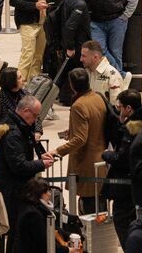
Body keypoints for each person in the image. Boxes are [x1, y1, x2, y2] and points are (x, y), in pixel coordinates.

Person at [0, 95, 53, 252]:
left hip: (14, 190)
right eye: (35, 115)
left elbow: (25, 148)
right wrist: (41, 164)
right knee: (15, 233)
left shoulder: (14, 123)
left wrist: (40, 155)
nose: (36, 120)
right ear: (25, 111)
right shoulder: (13, 133)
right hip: (13, 193)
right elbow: (19, 166)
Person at [101, 90, 142, 248]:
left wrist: (106, 155)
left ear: (128, 108)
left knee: (122, 221)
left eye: (120, 107)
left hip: (125, 186)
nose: (118, 110)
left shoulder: (132, 130)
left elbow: (122, 158)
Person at [50, 68, 108, 214]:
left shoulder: (78, 105)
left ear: (71, 84)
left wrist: (58, 151)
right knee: (100, 207)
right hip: (101, 160)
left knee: (89, 210)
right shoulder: (98, 97)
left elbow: (80, 139)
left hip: (86, 162)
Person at [86, 0, 139, 73]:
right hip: (96, 20)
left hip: (117, 20)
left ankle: (117, 84)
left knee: (116, 52)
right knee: (99, 50)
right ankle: (121, 76)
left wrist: (125, 16)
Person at [10, 0, 51, 82]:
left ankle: (34, 83)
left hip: (42, 22)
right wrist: (34, 6)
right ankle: (18, 84)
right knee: (27, 55)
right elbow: (13, 0)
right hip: (27, 23)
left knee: (38, 56)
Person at [12, 177, 77, 253]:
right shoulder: (33, 214)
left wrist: (69, 235)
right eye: (46, 192)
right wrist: (69, 250)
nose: (49, 194)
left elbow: (53, 228)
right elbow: (44, 242)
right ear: (38, 193)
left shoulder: (33, 207)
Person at [59, 0, 95, 105]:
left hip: (71, 44)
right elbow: (70, 26)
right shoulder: (81, 4)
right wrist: (70, 47)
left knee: (67, 71)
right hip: (76, 46)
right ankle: (72, 98)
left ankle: (65, 97)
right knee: (75, 73)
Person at [0, 67, 43, 137]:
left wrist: (38, 131)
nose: (23, 79)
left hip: (28, 134)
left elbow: (36, 114)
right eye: (19, 78)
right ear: (11, 81)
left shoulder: (26, 94)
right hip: (10, 137)